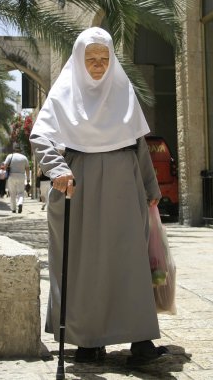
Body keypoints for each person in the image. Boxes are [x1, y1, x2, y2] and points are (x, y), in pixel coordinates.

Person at [30, 27, 168, 364]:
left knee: (129, 262)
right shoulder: (63, 94)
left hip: (125, 187)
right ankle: (87, 340)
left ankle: (140, 341)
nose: (97, 66)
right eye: (91, 59)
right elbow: (41, 138)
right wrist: (57, 169)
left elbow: (138, 143)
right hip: (79, 188)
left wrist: (150, 187)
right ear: (78, 60)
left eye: (104, 59)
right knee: (83, 265)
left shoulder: (123, 91)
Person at [4, 143, 30, 213]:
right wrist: (28, 179)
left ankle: (13, 209)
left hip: (11, 176)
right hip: (21, 176)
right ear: (20, 150)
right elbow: (27, 169)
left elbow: (5, 165)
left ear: (14, 149)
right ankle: (20, 203)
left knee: (12, 193)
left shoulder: (10, 156)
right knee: (21, 192)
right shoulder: (24, 157)